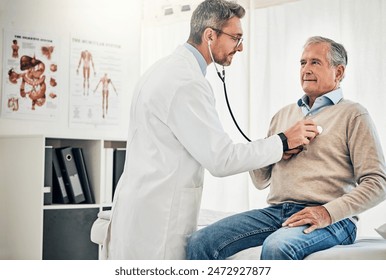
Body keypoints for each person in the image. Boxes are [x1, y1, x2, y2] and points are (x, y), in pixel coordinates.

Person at [103, 0, 319, 260]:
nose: (240, 48)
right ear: (209, 35)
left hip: (140, 206)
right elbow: (221, 159)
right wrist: (282, 141)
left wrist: (276, 147)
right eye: (236, 38)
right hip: (158, 221)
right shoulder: (186, 82)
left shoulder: (162, 69)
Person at [186, 36, 386, 260]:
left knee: (277, 247)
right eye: (303, 63)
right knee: (199, 242)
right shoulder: (283, 115)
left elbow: (378, 183)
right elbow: (260, 180)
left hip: (332, 217)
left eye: (315, 62)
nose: (306, 69)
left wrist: (327, 213)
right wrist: (277, 149)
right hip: (276, 212)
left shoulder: (354, 114)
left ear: (338, 72)